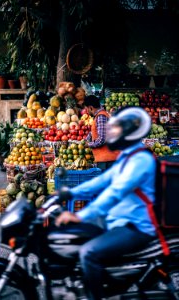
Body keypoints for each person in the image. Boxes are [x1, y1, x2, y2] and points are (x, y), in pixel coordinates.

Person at [55, 107, 159, 300]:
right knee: (77, 236)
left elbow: (114, 192)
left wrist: (80, 215)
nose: (113, 133)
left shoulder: (140, 160)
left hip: (135, 225)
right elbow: (101, 181)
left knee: (88, 252)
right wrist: (69, 192)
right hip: (118, 219)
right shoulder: (126, 157)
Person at [83, 94, 120, 171]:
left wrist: (88, 144)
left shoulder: (101, 117)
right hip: (106, 159)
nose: (87, 111)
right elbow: (95, 131)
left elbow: (102, 139)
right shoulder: (99, 116)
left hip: (108, 160)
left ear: (91, 108)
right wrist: (85, 139)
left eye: (87, 109)